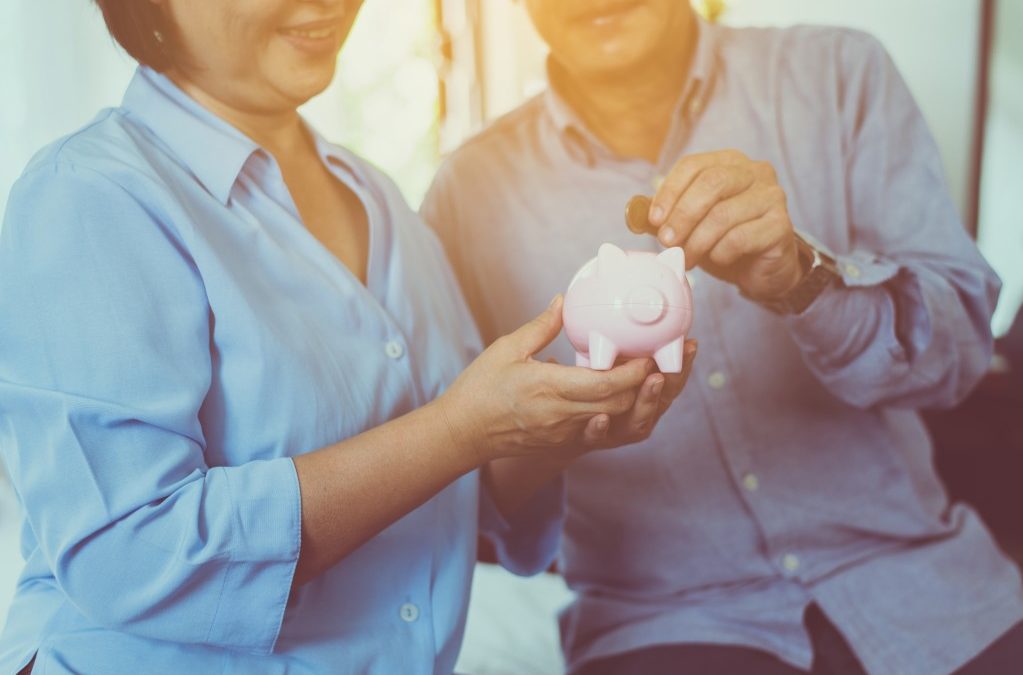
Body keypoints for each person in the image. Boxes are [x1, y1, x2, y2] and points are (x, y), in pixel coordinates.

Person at [0, 1, 696, 673]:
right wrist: (459, 428)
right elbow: (130, 552)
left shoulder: (378, 197)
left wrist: (558, 425)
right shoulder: (90, 196)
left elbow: (451, 489)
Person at [421, 2, 1023, 673]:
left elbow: (959, 357)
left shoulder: (839, 74)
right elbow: (473, 503)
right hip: (660, 622)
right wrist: (543, 435)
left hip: (925, 589)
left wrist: (801, 277)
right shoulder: (463, 196)